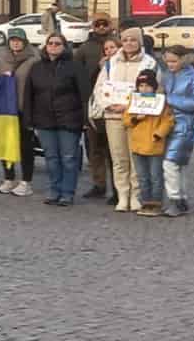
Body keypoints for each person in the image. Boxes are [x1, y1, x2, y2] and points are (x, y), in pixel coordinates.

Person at [95, 28, 156, 213]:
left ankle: (136, 195)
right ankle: (122, 195)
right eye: (126, 40)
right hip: (113, 117)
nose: (129, 43)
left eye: (133, 40)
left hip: (138, 118)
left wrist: (130, 106)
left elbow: (154, 90)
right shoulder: (111, 63)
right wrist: (108, 104)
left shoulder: (149, 63)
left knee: (136, 158)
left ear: (139, 42)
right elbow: (100, 88)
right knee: (119, 158)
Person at [23, 33, 85, 206]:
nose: (53, 46)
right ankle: (54, 190)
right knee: (51, 158)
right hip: (44, 120)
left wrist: (85, 119)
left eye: (58, 43)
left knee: (68, 158)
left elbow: (84, 94)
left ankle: (67, 193)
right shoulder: (36, 67)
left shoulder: (75, 66)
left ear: (64, 46)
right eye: (50, 43)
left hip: (70, 118)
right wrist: (29, 119)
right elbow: (29, 94)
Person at [159, 45, 194, 217]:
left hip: (186, 124)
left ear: (183, 60)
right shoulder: (168, 76)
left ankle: (175, 199)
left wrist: (169, 99)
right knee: (179, 164)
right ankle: (181, 198)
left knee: (170, 162)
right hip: (168, 124)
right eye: (168, 61)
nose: (170, 64)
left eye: (174, 61)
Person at [73, 14, 116, 200]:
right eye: (98, 24)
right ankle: (99, 184)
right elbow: (78, 75)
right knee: (95, 149)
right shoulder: (84, 48)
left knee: (114, 151)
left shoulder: (118, 44)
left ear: (110, 25)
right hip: (92, 104)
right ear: (93, 26)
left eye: (104, 24)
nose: (101, 27)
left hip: (115, 105)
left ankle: (118, 189)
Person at [0, 29, 38, 196]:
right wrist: (0, 79)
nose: (16, 43)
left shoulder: (33, 61)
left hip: (24, 109)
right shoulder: (2, 61)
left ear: (25, 42)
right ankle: (8, 178)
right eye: (12, 40)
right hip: (6, 110)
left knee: (26, 146)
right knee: (6, 145)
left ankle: (26, 181)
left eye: (19, 40)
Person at [124, 69, 174, 216]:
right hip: (138, 145)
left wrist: (158, 135)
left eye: (147, 86)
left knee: (156, 176)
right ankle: (145, 202)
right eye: (141, 86)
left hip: (154, 145)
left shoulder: (161, 102)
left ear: (154, 87)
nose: (144, 89)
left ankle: (156, 203)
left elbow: (168, 121)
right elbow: (126, 119)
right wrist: (136, 118)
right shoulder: (134, 101)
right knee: (142, 177)